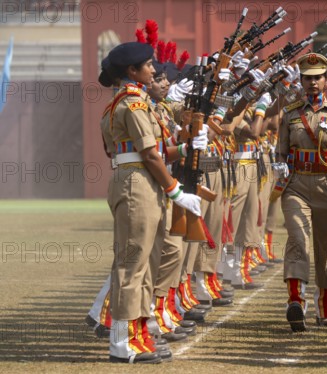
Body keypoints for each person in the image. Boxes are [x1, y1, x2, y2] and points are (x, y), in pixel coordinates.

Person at [105, 41, 205, 364]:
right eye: (147, 65)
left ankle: (139, 331)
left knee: (146, 265)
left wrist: (188, 146)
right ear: (132, 71)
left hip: (143, 181)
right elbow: (149, 154)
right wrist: (176, 190)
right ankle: (121, 342)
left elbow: (156, 151)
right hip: (138, 184)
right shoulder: (132, 104)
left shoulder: (135, 103)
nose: (154, 69)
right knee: (131, 265)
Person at [275, 52, 327, 332]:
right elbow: (280, 153)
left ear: (325, 80)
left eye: (317, 78)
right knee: (298, 238)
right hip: (296, 185)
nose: (312, 83)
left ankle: (326, 304)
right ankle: (295, 300)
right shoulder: (289, 114)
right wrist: (279, 174)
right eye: (308, 78)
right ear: (301, 80)